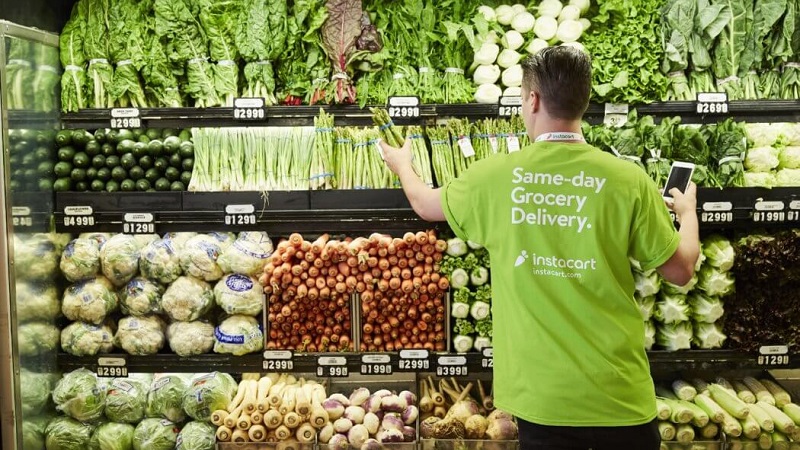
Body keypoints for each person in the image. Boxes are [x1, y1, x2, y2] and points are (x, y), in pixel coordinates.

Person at [378, 46, 700, 450]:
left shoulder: (495, 175)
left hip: (541, 399)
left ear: (532, 100)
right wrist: (687, 214)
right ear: (584, 100)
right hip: (619, 395)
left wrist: (403, 163)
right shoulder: (628, 180)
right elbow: (681, 270)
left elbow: (425, 205)